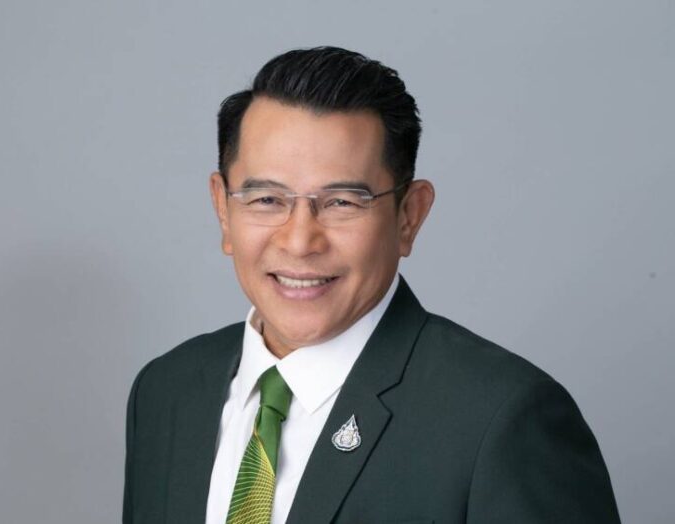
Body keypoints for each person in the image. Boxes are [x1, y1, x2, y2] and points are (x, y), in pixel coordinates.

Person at [123, 46, 621, 523]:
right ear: (222, 210)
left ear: (409, 216)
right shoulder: (166, 391)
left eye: (342, 202)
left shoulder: (501, 418)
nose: (300, 241)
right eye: (267, 200)